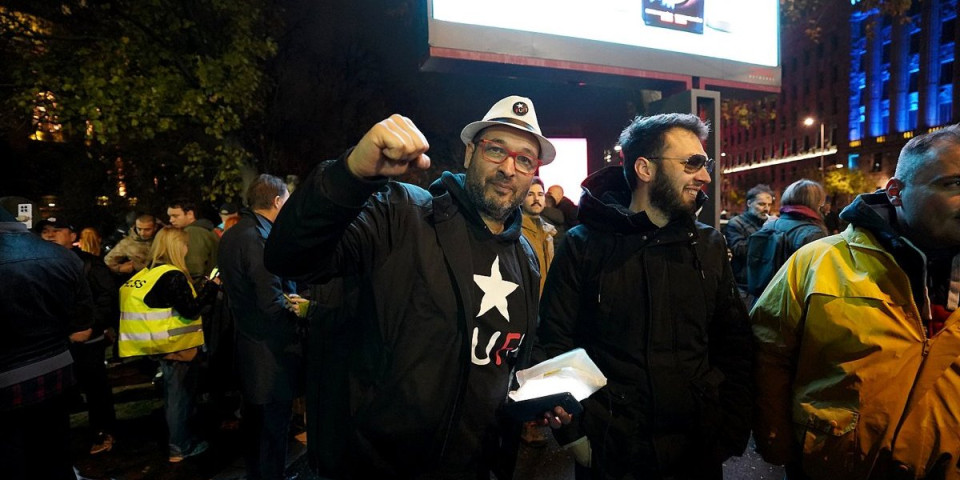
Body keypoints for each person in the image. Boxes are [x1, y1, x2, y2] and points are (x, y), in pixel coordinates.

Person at [264, 95, 571, 478]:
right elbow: (290, 256)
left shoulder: (525, 256)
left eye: (524, 159)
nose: (509, 168)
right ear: (469, 153)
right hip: (380, 466)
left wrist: (534, 396)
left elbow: (506, 357)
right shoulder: (401, 214)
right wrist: (349, 174)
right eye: (497, 150)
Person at [536, 113, 753, 479]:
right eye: (693, 163)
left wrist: (729, 430)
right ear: (645, 168)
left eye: (706, 164)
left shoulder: (709, 245)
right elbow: (554, 342)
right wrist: (575, 436)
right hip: (612, 453)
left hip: (696, 452)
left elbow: (735, 345)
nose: (705, 176)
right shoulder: (583, 245)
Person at [751, 125, 960, 479]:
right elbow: (767, 353)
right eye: (953, 184)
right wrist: (779, 443)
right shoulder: (819, 261)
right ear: (895, 191)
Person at [219, 174, 304, 480]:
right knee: (271, 428)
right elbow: (270, 303)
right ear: (277, 201)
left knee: (256, 429)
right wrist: (301, 312)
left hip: (249, 346)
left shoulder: (233, 233)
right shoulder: (261, 239)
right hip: (270, 354)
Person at [1, 206, 94, 480]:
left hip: (9, 382)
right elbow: (82, 322)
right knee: (53, 456)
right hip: (56, 373)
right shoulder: (61, 257)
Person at [118, 227, 219, 463]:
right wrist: (213, 286)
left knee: (173, 394)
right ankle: (180, 447)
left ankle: (180, 441)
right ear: (176, 246)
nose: (187, 248)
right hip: (178, 346)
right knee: (179, 397)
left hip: (159, 344)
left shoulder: (150, 272)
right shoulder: (173, 276)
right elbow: (192, 309)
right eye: (184, 244)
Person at [39, 217, 119, 455]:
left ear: (73, 236)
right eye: (45, 231)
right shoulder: (37, 264)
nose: (51, 235)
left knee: (96, 390)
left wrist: (91, 328)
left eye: (57, 230)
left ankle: (103, 433)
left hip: (87, 342)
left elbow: (107, 298)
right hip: (53, 343)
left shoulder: (90, 265)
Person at [724, 184, 774, 297]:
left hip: (767, 282)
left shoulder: (767, 223)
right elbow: (740, 250)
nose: (766, 209)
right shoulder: (735, 223)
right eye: (761, 204)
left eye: (769, 205)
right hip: (745, 285)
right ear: (749, 203)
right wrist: (764, 232)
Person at [520, 176, 557, 295]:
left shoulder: (549, 231)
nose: (536, 199)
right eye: (530, 194)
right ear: (521, 199)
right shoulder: (516, 232)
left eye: (540, 194)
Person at [167, 200, 219, 281]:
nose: (171, 220)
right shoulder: (203, 230)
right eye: (170, 216)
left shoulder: (193, 232)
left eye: (175, 216)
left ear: (190, 214)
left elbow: (194, 267)